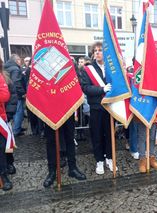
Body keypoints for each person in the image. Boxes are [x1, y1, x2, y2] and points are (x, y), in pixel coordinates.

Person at [81, 41, 116, 175]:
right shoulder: (88, 69)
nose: (97, 52)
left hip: (110, 107)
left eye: (100, 50)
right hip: (96, 107)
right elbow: (86, 88)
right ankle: (99, 160)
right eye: (95, 50)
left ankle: (110, 158)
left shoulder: (111, 68)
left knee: (109, 134)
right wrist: (102, 89)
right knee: (97, 135)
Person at [43, 116, 86, 187]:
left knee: (70, 137)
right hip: (50, 111)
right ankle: (52, 171)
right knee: (51, 141)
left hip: (67, 109)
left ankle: (72, 168)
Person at [4, 54, 26, 137]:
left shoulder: (6, 67)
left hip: (9, 93)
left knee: (12, 111)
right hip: (16, 94)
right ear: (16, 60)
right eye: (20, 60)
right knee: (18, 112)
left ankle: (16, 128)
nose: (21, 62)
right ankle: (16, 130)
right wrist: (22, 93)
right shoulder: (16, 69)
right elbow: (16, 82)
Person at [0, 57, 13, 191]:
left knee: (2, 147)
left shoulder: (1, 76)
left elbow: (5, 96)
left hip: (1, 117)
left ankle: (4, 173)